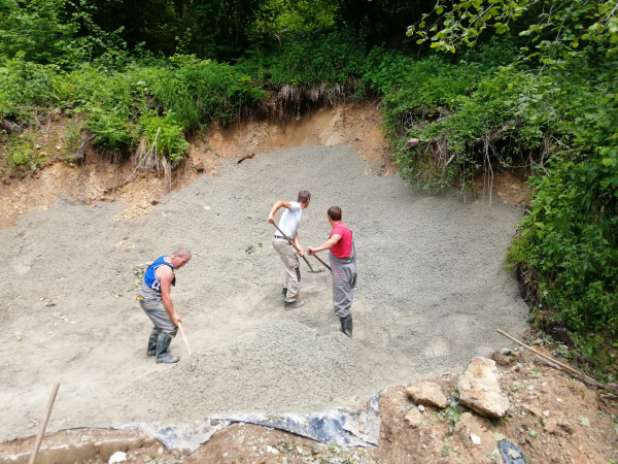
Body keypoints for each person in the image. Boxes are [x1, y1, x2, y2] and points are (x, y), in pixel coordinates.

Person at [308, 207, 357, 337]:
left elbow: (334, 240)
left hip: (342, 269)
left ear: (329, 218)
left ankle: (346, 332)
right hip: (348, 267)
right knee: (345, 293)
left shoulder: (339, 230)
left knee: (341, 299)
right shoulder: (346, 228)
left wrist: (316, 249)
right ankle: (346, 325)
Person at [137, 248, 192, 363]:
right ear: (176, 257)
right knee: (170, 326)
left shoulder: (162, 259)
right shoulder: (167, 272)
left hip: (143, 296)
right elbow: (166, 297)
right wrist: (174, 316)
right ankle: (162, 355)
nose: (184, 265)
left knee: (160, 323)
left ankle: (152, 349)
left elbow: (152, 264)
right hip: (150, 300)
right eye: (183, 262)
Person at [267, 191, 311, 307]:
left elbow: (293, 233)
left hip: (281, 241)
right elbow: (280, 202)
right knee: (294, 267)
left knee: (289, 265)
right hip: (282, 241)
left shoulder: (297, 212)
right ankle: (290, 300)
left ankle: (286, 290)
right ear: (307, 201)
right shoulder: (296, 206)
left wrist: (299, 248)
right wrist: (271, 214)